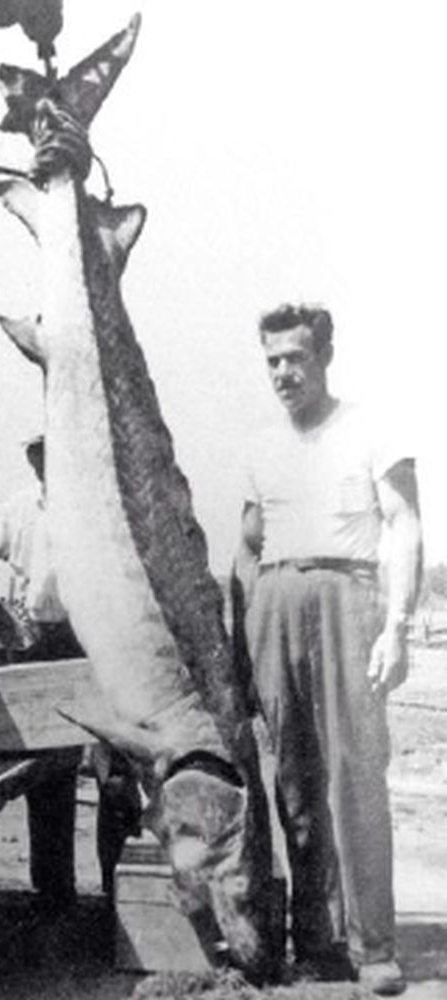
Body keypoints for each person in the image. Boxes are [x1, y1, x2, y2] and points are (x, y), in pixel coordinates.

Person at [235, 304, 422, 996]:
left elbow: (403, 526)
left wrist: (398, 625)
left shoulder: (371, 427)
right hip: (276, 603)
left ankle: (374, 946)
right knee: (294, 783)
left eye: (296, 358)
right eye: (273, 361)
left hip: (349, 600)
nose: (284, 372)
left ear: (324, 358)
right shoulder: (258, 445)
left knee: (356, 778)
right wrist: (239, 637)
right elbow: (248, 547)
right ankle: (314, 941)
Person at [0, 434, 141, 912]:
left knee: (116, 772)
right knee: (47, 776)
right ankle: (54, 897)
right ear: (31, 460)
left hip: (101, 642)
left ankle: (119, 898)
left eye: (56, 454)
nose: (46, 463)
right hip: (38, 641)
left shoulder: (105, 506)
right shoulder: (18, 508)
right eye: (38, 455)